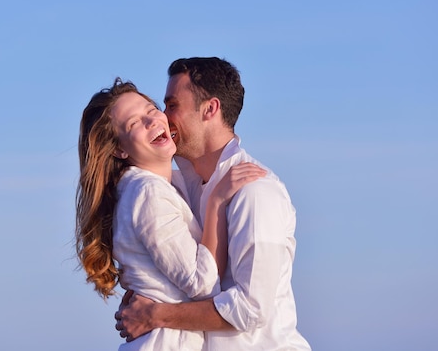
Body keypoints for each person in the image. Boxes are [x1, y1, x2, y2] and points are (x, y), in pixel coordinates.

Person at [115, 57, 311, 350]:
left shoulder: (254, 191)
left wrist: (155, 314)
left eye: (172, 106)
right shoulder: (183, 188)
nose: (164, 118)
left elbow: (251, 308)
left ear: (210, 110)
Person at [75, 78, 266, 350]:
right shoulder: (147, 193)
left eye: (151, 110)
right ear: (119, 149)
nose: (152, 121)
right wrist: (216, 203)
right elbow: (201, 284)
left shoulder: (159, 186)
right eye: (134, 123)